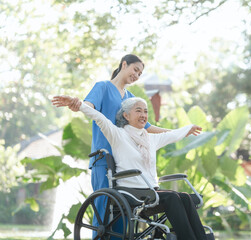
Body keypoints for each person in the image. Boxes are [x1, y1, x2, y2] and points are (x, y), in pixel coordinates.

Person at [52, 96, 208, 240]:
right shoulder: (117, 135)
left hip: (151, 190)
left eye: (145, 111)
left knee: (187, 197)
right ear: (126, 115)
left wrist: (189, 128)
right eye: (138, 110)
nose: (143, 115)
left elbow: (173, 135)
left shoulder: (150, 139)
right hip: (130, 191)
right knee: (173, 197)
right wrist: (78, 104)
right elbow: (98, 117)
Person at [52, 54, 168, 239]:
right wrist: (76, 104)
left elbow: (147, 127)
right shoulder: (103, 87)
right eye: (135, 69)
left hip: (126, 163)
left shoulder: (131, 98)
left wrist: (177, 132)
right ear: (124, 64)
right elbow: (88, 106)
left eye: (140, 73)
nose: (137, 75)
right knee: (104, 210)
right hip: (104, 160)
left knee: (124, 213)